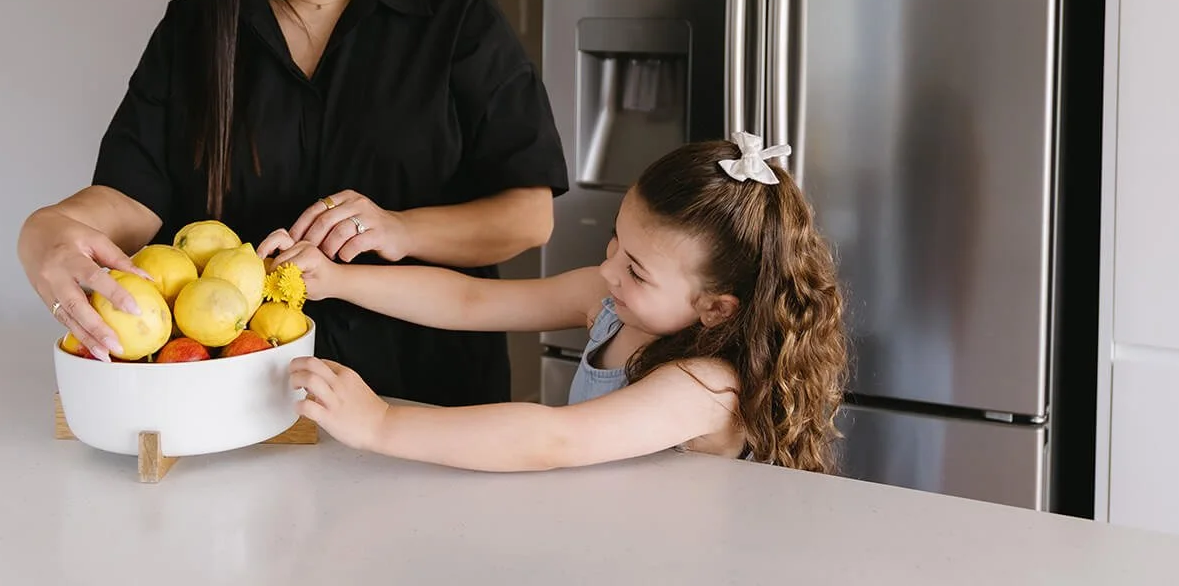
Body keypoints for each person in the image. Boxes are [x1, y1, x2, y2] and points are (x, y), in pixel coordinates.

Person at [17, 0, 569, 406]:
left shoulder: (453, 13)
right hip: (240, 400)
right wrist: (48, 229)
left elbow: (527, 217)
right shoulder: (194, 32)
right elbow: (128, 198)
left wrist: (399, 230)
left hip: (426, 398)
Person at [272, 133, 848, 473]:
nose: (607, 268)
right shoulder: (613, 301)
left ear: (715, 308)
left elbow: (556, 438)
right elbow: (473, 301)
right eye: (617, 240)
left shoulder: (707, 388)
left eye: (636, 270)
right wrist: (335, 281)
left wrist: (382, 423)